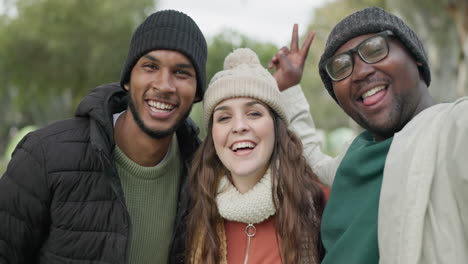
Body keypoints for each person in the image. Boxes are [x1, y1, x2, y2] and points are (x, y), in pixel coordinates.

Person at [0, 10, 207, 264]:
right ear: (128, 80)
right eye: (150, 67)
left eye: (182, 73)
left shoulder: (203, 174)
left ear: (197, 92)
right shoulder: (44, 155)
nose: (164, 85)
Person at [270, 6, 468, 264]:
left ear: (417, 58)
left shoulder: (452, 129)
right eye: (341, 68)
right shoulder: (354, 155)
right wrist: (288, 87)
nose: (360, 72)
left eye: (375, 49)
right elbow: (308, 156)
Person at [184, 48, 327, 264]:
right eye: (224, 117)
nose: (239, 126)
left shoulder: (318, 202)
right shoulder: (195, 208)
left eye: (254, 113)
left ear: (276, 127)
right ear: (212, 135)